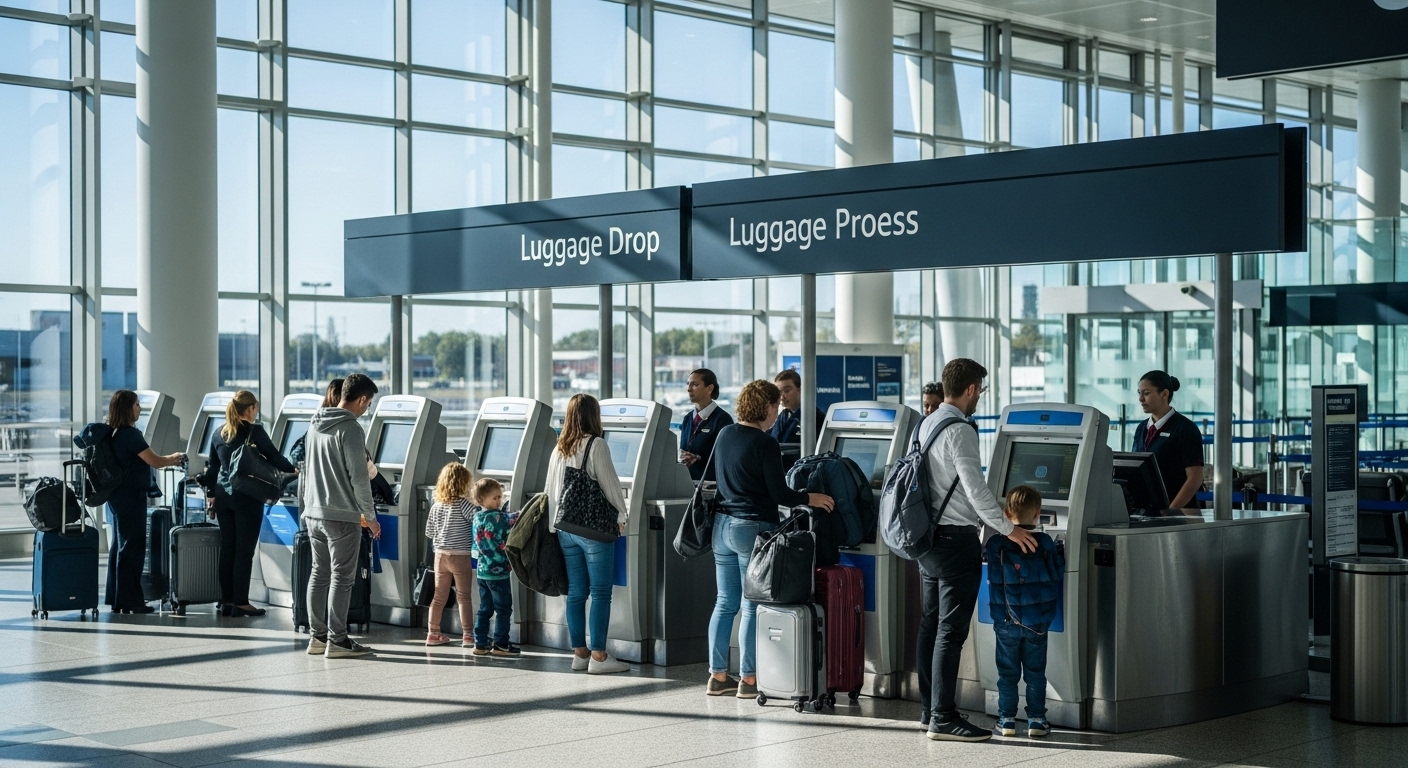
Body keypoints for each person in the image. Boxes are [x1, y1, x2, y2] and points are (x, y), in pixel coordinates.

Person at [915, 358, 1037, 742]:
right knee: (950, 632)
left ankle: (928, 710)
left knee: (930, 624)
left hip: (926, 539)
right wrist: (1009, 528)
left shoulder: (927, 423)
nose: (979, 397)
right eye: (980, 390)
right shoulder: (961, 430)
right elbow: (974, 489)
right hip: (954, 540)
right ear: (970, 389)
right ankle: (943, 717)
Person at [707, 379, 834, 698]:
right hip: (750, 528)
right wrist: (810, 498)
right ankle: (748, 679)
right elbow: (780, 493)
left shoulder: (725, 434)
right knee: (751, 605)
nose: (778, 412)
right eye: (775, 405)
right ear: (764, 407)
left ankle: (718, 675)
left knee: (724, 603)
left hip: (721, 526)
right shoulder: (764, 444)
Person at [74, 390, 185, 614]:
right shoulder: (131, 435)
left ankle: (118, 599)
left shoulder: (111, 433)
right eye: (136, 405)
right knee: (132, 548)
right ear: (127, 408)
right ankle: (131, 601)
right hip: (131, 497)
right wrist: (176, 457)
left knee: (119, 547)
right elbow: (155, 461)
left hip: (116, 497)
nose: (139, 409)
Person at [546, 393, 631, 674]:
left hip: (565, 528)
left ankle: (579, 654)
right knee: (601, 593)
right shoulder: (597, 445)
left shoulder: (560, 447)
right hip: (592, 529)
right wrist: (622, 516)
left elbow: (551, 490)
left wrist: (553, 525)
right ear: (594, 416)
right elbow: (611, 485)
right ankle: (599, 657)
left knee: (576, 593)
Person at [301, 372, 381, 659]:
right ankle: (338, 640)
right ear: (361, 399)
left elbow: (307, 471)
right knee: (342, 578)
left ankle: (317, 638)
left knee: (318, 574)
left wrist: (307, 507)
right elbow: (359, 478)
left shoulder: (315, 423)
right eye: (368, 403)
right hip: (341, 515)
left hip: (314, 512)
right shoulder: (351, 429)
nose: (366, 408)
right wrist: (370, 517)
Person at [206, 389, 296, 618]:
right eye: (255, 407)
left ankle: (226, 601)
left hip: (223, 497)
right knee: (244, 552)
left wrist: (211, 496)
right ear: (249, 409)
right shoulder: (254, 431)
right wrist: (296, 469)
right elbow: (275, 457)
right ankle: (241, 602)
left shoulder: (218, 433)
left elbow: (212, 468)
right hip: (247, 497)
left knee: (228, 549)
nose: (256, 411)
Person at [985, 485, 1064, 739]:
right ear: (1038, 513)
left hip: (1006, 622)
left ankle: (1006, 721)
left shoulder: (996, 544)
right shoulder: (1045, 543)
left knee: (1007, 674)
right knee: (1035, 673)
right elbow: (1058, 572)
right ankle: (1037, 721)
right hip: (1037, 623)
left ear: (1007, 513)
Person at [1132, 370, 1205, 511]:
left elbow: (1195, 478)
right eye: (1139, 393)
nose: (1140, 399)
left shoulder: (1185, 428)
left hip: (1179, 513)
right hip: (1147, 511)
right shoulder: (1141, 428)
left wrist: (1171, 511)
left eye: (1146, 393)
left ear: (1164, 394)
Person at [423, 462, 477, 648]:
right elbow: (477, 519)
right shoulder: (464, 505)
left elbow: (429, 532)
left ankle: (433, 633)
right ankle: (468, 635)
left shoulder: (437, 506)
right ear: (464, 483)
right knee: (464, 597)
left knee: (439, 596)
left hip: (440, 556)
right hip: (460, 556)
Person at [470, 477, 519, 657]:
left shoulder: (477, 517)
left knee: (485, 609)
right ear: (482, 500)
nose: (499, 501)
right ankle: (500, 644)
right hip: (498, 573)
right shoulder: (497, 517)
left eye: (500, 497)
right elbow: (512, 519)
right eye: (495, 498)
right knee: (504, 609)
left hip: (482, 572)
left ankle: (480, 643)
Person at [678, 368, 733, 482]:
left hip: (712, 484)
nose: (688, 389)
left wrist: (698, 458)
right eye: (688, 384)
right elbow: (683, 450)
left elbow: (727, 458)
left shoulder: (723, 420)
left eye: (695, 384)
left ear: (709, 388)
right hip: (688, 483)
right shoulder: (687, 419)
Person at [768, 369, 826, 471]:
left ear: (799, 389)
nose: (782, 396)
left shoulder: (814, 416)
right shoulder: (783, 415)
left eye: (787, 390)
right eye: (779, 392)